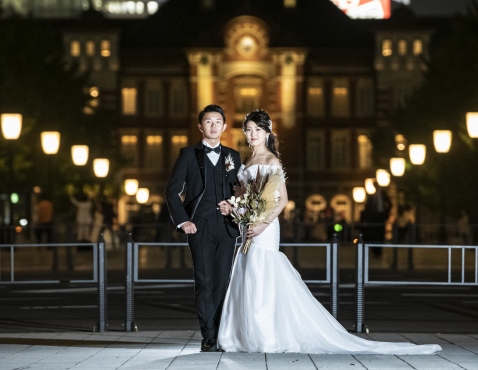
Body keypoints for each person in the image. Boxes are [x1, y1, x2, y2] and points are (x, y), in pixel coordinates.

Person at [218, 109, 441, 355]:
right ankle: (243, 335)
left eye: (257, 130)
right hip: (248, 222)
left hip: (266, 226)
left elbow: (282, 200)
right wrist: (237, 206)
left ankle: (265, 336)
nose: (252, 134)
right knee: (247, 269)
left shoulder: (272, 161)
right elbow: (244, 194)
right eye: (249, 130)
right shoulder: (246, 161)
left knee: (262, 270)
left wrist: (262, 223)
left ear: (267, 132)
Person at [164, 104, 242, 352]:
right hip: (200, 226)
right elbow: (172, 191)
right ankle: (208, 336)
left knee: (222, 282)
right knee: (205, 281)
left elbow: (240, 191)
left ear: (224, 126)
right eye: (208, 121)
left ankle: (221, 334)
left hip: (227, 227)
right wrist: (183, 220)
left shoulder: (233, 156)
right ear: (200, 126)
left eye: (218, 122)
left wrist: (233, 206)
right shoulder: (188, 154)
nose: (213, 126)